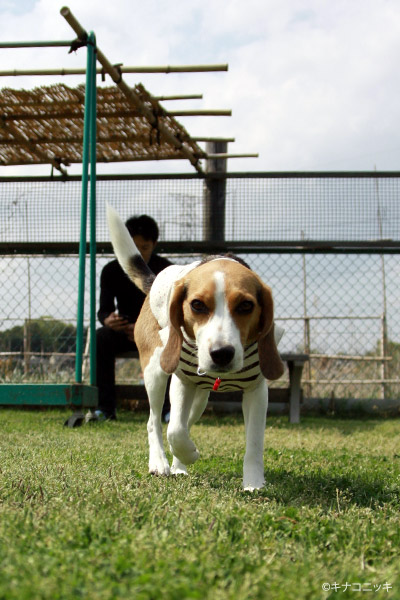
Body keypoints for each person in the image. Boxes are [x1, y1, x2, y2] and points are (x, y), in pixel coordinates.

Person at [94, 214, 172, 420]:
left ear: (154, 244)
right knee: (100, 337)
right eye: (133, 248)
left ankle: (169, 410)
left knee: (173, 339)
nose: (138, 254)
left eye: (144, 248)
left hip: (156, 333)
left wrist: (146, 329)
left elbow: (171, 312)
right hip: (125, 331)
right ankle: (105, 409)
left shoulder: (166, 270)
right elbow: (104, 311)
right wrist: (108, 321)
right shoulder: (111, 270)